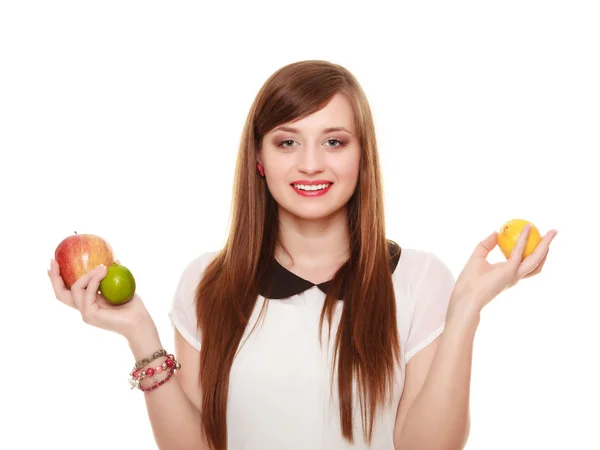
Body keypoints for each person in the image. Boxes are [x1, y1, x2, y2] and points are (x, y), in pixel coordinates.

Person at [48, 60, 557, 450]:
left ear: (362, 155)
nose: (311, 164)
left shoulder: (422, 279)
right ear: (260, 160)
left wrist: (465, 309)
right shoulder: (206, 281)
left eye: (334, 141)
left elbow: (428, 445)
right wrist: (140, 333)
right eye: (287, 142)